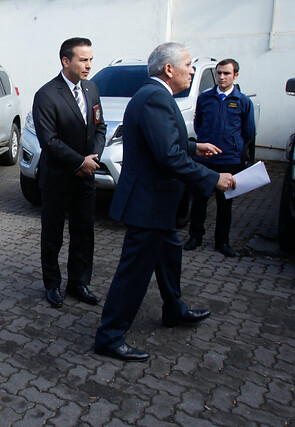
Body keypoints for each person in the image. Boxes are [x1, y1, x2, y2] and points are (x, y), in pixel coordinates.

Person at [94, 42, 236, 362]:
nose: (193, 70)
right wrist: (214, 179)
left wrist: (193, 147)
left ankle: (174, 309)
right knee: (133, 274)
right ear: (169, 69)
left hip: (157, 205)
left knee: (170, 257)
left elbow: (163, 142)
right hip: (148, 205)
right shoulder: (156, 97)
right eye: (188, 64)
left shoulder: (154, 94)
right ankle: (109, 335)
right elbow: (167, 156)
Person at [32, 37, 107, 309]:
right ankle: (52, 285)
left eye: (90, 59)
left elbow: (100, 127)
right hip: (58, 179)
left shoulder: (92, 89)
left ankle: (79, 283)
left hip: (86, 177)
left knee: (84, 233)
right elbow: (48, 140)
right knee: (52, 236)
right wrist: (78, 162)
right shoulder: (46, 95)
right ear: (66, 61)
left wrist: (93, 159)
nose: (89, 65)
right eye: (83, 60)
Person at [184, 59, 255, 257]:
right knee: (199, 201)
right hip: (205, 160)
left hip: (229, 160)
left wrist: (233, 146)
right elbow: (198, 125)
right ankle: (195, 237)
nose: (222, 77)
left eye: (226, 73)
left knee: (225, 203)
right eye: (219, 73)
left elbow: (248, 131)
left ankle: (222, 242)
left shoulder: (243, 101)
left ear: (235, 76)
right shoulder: (205, 98)